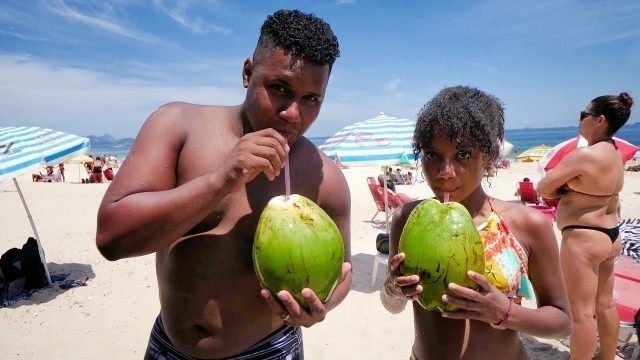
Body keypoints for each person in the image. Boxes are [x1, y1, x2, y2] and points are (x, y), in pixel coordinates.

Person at [96, 9, 351, 360]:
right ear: (248, 73)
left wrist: (321, 305)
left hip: (271, 350)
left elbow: (342, 274)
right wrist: (220, 181)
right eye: (279, 88)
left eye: (311, 99)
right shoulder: (178, 126)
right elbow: (111, 237)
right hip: (171, 349)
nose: (293, 113)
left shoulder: (326, 178)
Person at [380, 86, 571, 359]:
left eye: (463, 155)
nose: (445, 172)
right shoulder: (407, 218)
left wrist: (504, 312)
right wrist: (392, 287)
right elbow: (392, 305)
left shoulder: (527, 224)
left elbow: (562, 322)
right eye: (432, 155)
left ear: (489, 158)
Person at [537, 92, 634, 359]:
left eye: (584, 115)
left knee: (580, 313)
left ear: (599, 120)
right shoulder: (616, 154)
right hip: (611, 236)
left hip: (584, 238)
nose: (580, 120)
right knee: (605, 305)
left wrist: (562, 193)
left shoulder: (584, 156)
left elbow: (543, 187)